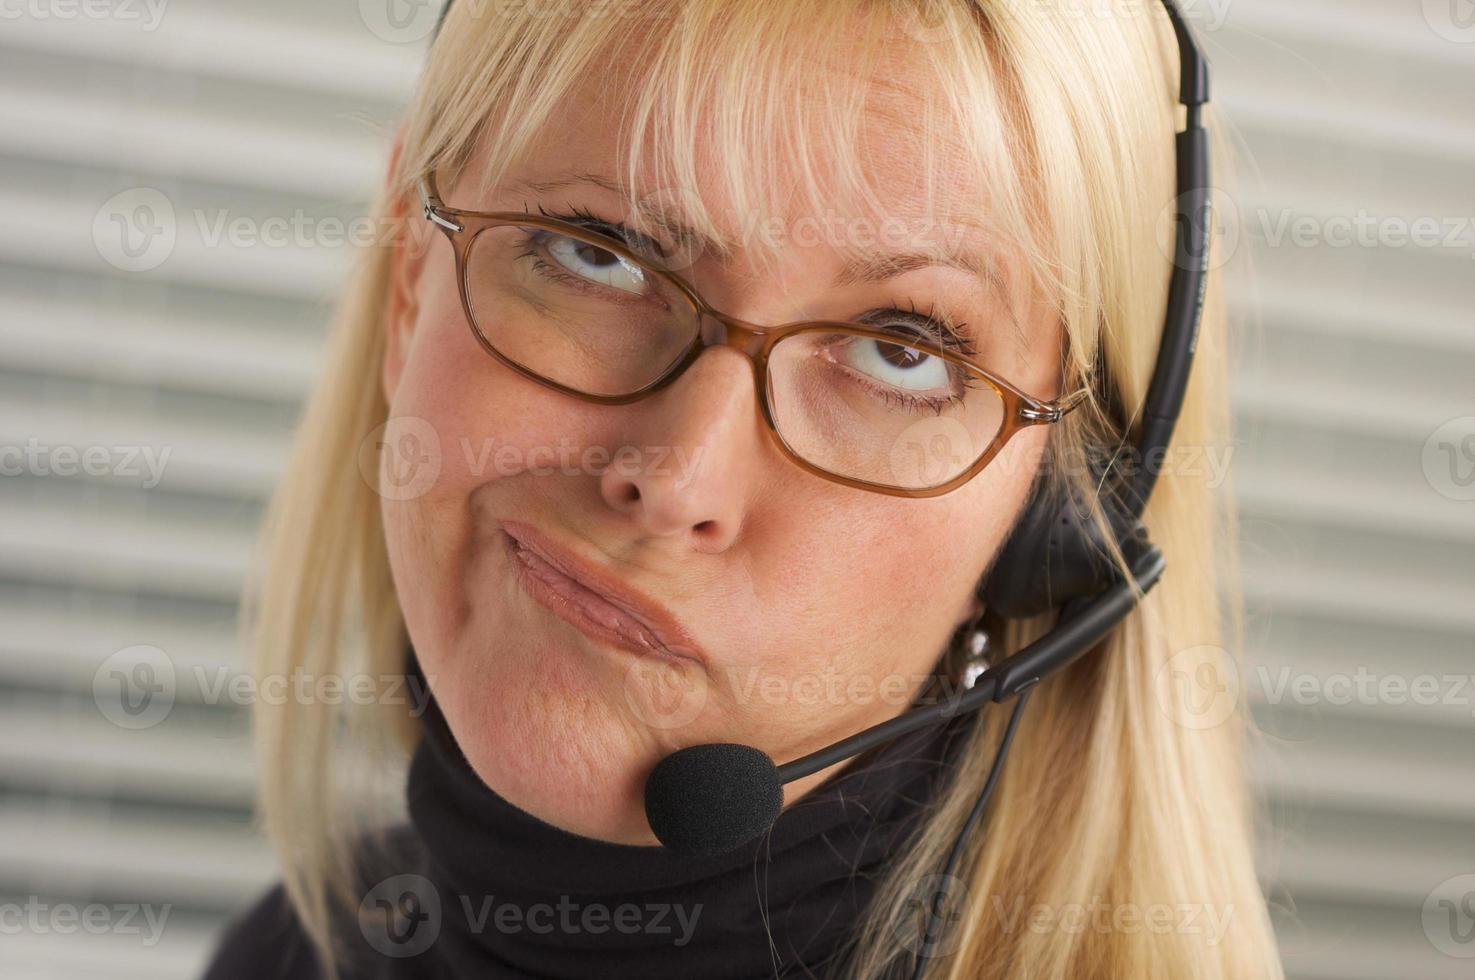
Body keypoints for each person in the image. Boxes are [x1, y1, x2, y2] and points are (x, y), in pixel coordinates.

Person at [206, 1, 1280, 977]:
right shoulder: (297, 951)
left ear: (1047, 522)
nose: (675, 480)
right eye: (598, 254)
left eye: (896, 353)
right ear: (409, 281)